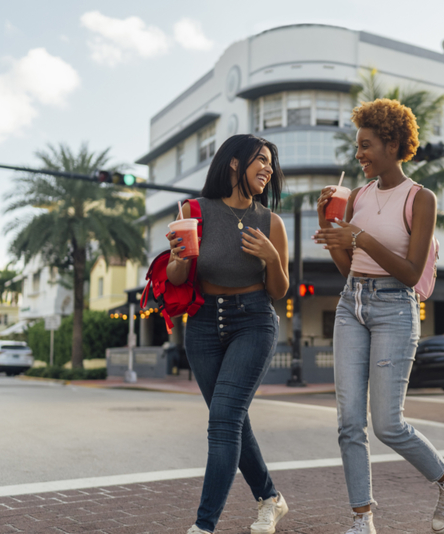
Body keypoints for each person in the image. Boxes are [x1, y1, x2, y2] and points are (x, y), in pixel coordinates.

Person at [314, 99, 444, 534]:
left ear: (392, 143)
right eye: (358, 146)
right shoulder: (357, 196)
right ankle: (362, 520)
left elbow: (409, 271)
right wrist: (329, 226)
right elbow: (348, 267)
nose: (359, 153)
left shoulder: (421, 199)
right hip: (352, 303)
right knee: (348, 421)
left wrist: (358, 236)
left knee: (387, 424)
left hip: (395, 308)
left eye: (366, 145)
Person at [167, 134, 290, 534]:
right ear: (235, 163)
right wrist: (180, 256)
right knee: (232, 419)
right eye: (261, 160)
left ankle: (203, 526)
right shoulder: (194, 210)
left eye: (271, 163)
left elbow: (279, 290)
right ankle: (270, 498)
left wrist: (271, 256)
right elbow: (177, 276)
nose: (269, 168)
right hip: (203, 325)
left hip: (253, 321)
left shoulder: (271, 222)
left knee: (223, 421)